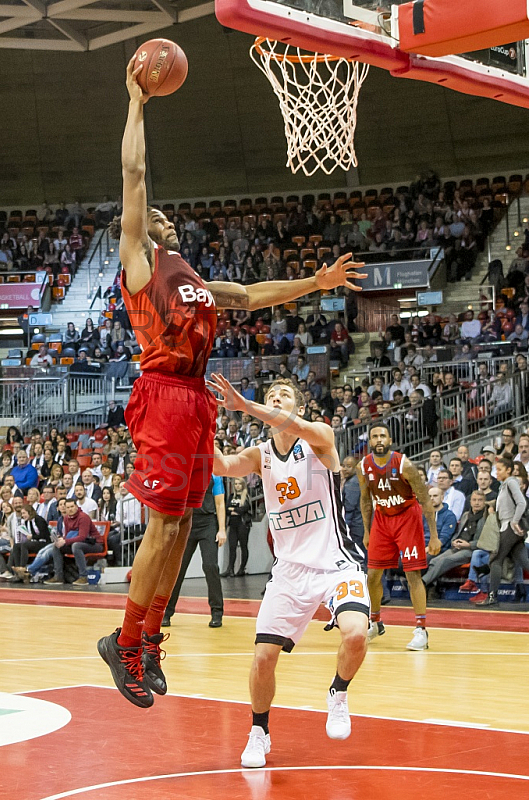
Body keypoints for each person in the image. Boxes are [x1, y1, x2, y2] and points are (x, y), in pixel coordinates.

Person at [97, 54, 367, 710]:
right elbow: (133, 172)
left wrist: (314, 282)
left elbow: (245, 294)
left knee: (184, 524)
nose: (159, 213)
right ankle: (125, 642)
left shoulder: (187, 271)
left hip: (193, 399)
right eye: (150, 212)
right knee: (163, 528)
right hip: (162, 392)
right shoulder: (139, 258)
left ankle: (151, 638)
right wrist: (136, 102)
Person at [210, 374, 368, 767]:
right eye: (270, 396)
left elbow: (293, 427)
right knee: (263, 657)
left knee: (356, 635)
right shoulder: (261, 454)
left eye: (283, 396)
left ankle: (338, 692)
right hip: (289, 570)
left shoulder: (319, 437)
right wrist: (197, 424)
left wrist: (245, 404)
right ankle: (259, 732)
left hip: (336, 561)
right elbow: (222, 465)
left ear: (299, 407)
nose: (276, 400)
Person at [357, 423, 440, 651]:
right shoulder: (363, 466)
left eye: (383, 435)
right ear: (370, 442)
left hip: (407, 517)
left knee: (412, 574)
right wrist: (367, 530)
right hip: (382, 519)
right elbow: (366, 500)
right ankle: (375, 622)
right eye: (374, 436)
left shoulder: (405, 465)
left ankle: (421, 630)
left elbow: (424, 499)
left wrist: (433, 535)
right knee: (372, 575)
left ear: (390, 440)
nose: (379, 439)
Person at [162, 475, 227, 630]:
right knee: (178, 569)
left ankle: (217, 612)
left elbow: (220, 503)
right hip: (187, 522)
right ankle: (166, 612)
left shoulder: (215, 475)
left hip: (208, 523)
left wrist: (222, 529)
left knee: (210, 566)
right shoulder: (185, 472)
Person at [476, 457, 529, 606]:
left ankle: (492, 596)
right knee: (525, 562)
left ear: (509, 470)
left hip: (510, 527)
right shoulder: (505, 484)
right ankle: (492, 596)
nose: (496, 472)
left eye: (499, 469)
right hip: (510, 527)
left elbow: (522, 502)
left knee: (496, 560)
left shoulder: (511, 482)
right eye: (496, 469)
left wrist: (514, 520)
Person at [46, 498, 103, 587]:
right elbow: (68, 535)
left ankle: (83, 577)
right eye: (68, 507)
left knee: (76, 546)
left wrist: (65, 541)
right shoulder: (66, 518)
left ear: (76, 506)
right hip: (79, 543)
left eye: (72, 506)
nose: (70, 509)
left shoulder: (83, 517)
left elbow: (82, 536)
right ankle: (58, 576)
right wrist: (60, 540)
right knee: (56, 546)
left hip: (95, 544)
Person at [221, 478, 251, 578]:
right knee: (232, 547)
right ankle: (230, 569)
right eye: (236, 484)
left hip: (242, 524)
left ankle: (242, 568)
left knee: (243, 546)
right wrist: (235, 510)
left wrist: (233, 509)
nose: (237, 486)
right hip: (233, 524)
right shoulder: (231, 496)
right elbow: (226, 509)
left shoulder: (245, 496)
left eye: (239, 484)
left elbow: (244, 509)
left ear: (243, 485)